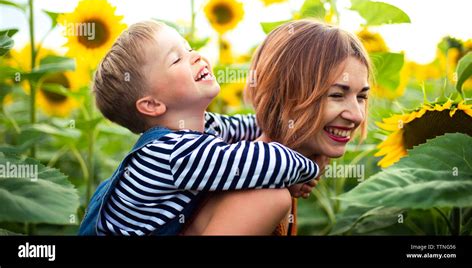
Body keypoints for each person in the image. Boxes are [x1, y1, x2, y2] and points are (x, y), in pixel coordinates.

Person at [78, 20, 321, 236]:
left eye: (189, 48)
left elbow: (256, 126)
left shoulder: (206, 126)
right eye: (176, 59)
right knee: (270, 195)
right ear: (152, 104)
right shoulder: (172, 154)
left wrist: (303, 119)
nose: (195, 56)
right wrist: (308, 168)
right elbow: (258, 160)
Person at [183, 19, 371, 235]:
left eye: (361, 96)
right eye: (337, 95)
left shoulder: (279, 180)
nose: (357, 115)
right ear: (283, 95)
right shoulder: (266, 197)